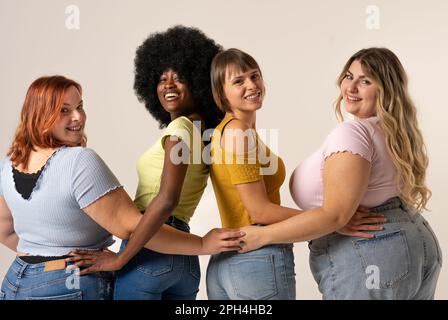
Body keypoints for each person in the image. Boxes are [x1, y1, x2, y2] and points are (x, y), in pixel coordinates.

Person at [0, 75, 242, 300]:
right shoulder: (79, 161)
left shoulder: (9, 163)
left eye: (80, 107)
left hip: (15, 281)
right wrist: (201, 244)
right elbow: (135, 228)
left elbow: (5, 231)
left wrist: (42, 258)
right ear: (40, 115)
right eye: (64, 110)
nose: (78, 117)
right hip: (70, 282)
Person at [238, 47, 442, 299]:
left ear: (385, 89)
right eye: (349, 76)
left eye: (365, 80)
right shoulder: (397, 133)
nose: (351, 87)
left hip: (372, 249)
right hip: (416, 242)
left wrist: (262, 236)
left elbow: (335, 217)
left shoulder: (353, 133)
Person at [206, 48, 384, 300]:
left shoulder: (229, 131)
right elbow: (258, 210)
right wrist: (329, 221)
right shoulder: (237, 132)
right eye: (238, 81)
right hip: (255, 257)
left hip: (229, 261)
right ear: (221, 92)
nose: (251, 85)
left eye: (254, 76)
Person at [68, 26, 231, 300]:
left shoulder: (179, 129)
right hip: (185, 259)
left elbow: (167, 198)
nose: (168, 85)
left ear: (198, 82)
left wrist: (121, 259)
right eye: (161, 78)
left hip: (151, 246)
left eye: (179, 78)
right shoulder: (204, 134)